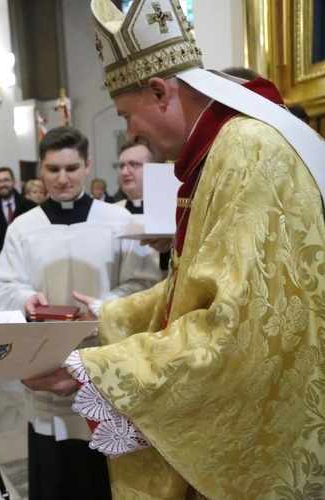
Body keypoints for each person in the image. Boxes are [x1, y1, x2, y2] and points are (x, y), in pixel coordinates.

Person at [24, 1, 325, 498]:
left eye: (126, 116)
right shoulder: (223, 149)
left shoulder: (248, 151)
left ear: (161, 91)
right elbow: (199, 284)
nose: (130, 135)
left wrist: (92, 369)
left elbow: (240, 332)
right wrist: (107, 315)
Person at [0, 126, 162, 499]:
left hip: (102, 362)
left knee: (102, 479)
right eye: (53, 169)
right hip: (46, 363)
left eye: (71, 168)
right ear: (40, 169)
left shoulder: (117, 222)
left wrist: (102, 308)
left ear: (87, 165)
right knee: (55, 476)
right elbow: (2, 286)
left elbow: (145, 286)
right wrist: (25, 298)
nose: (62, 178)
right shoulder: (23, 227)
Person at [113, 144, 170, 273]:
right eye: (121, 166)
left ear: (154, 168)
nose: (124, 172)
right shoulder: (111, 212)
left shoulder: (172, 211)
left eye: (134, 164)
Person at [0, 167, 37, 271]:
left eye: (6, 180)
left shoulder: (31, 207)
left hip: (30, 265)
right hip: (1, 267)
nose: (2, 184)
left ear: (14, 182)